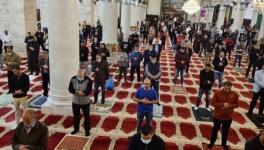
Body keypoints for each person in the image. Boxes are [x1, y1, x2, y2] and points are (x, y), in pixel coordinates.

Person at [208, 81, 239, 150]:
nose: (227, 87)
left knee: (225, 131)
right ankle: (212, 143)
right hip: (218, 116)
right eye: (225, 85)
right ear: (223, 86)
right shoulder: (217, 93)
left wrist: (230, 105)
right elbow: (213, 103)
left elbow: (237, 105)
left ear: (231, 87)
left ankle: (224, 144)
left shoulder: (235, 94)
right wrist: (222, 104)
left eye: (228, 86)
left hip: (228, 117)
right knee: (215, 130)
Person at [68, 69, 93, 136]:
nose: (79, 73)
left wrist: (83, 93)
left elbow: (89, 91)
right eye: (78, 72)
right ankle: (76, 129)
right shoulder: (73, 79)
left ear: (84, 73)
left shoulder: (88, 80)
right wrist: (76, 92)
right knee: (76, 116)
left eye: (81, 72)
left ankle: (87, 131)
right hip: (75, 102)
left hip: (85, 102)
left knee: (86, 117)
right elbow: (70, 89)